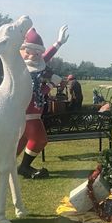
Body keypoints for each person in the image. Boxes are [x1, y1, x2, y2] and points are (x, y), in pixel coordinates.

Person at [17, 25, 69, 179]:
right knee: (39, 139)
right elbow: (35, 92)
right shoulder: (18, 69)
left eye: (37, 53)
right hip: (27, 113)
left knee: (22, 140)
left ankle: (7, 164)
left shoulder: (35, 66)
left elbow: (45, 57)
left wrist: (58, 43)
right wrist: (51, 84)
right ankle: (24, 167)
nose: (33, 56)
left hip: (30, 112)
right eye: (28, 52)